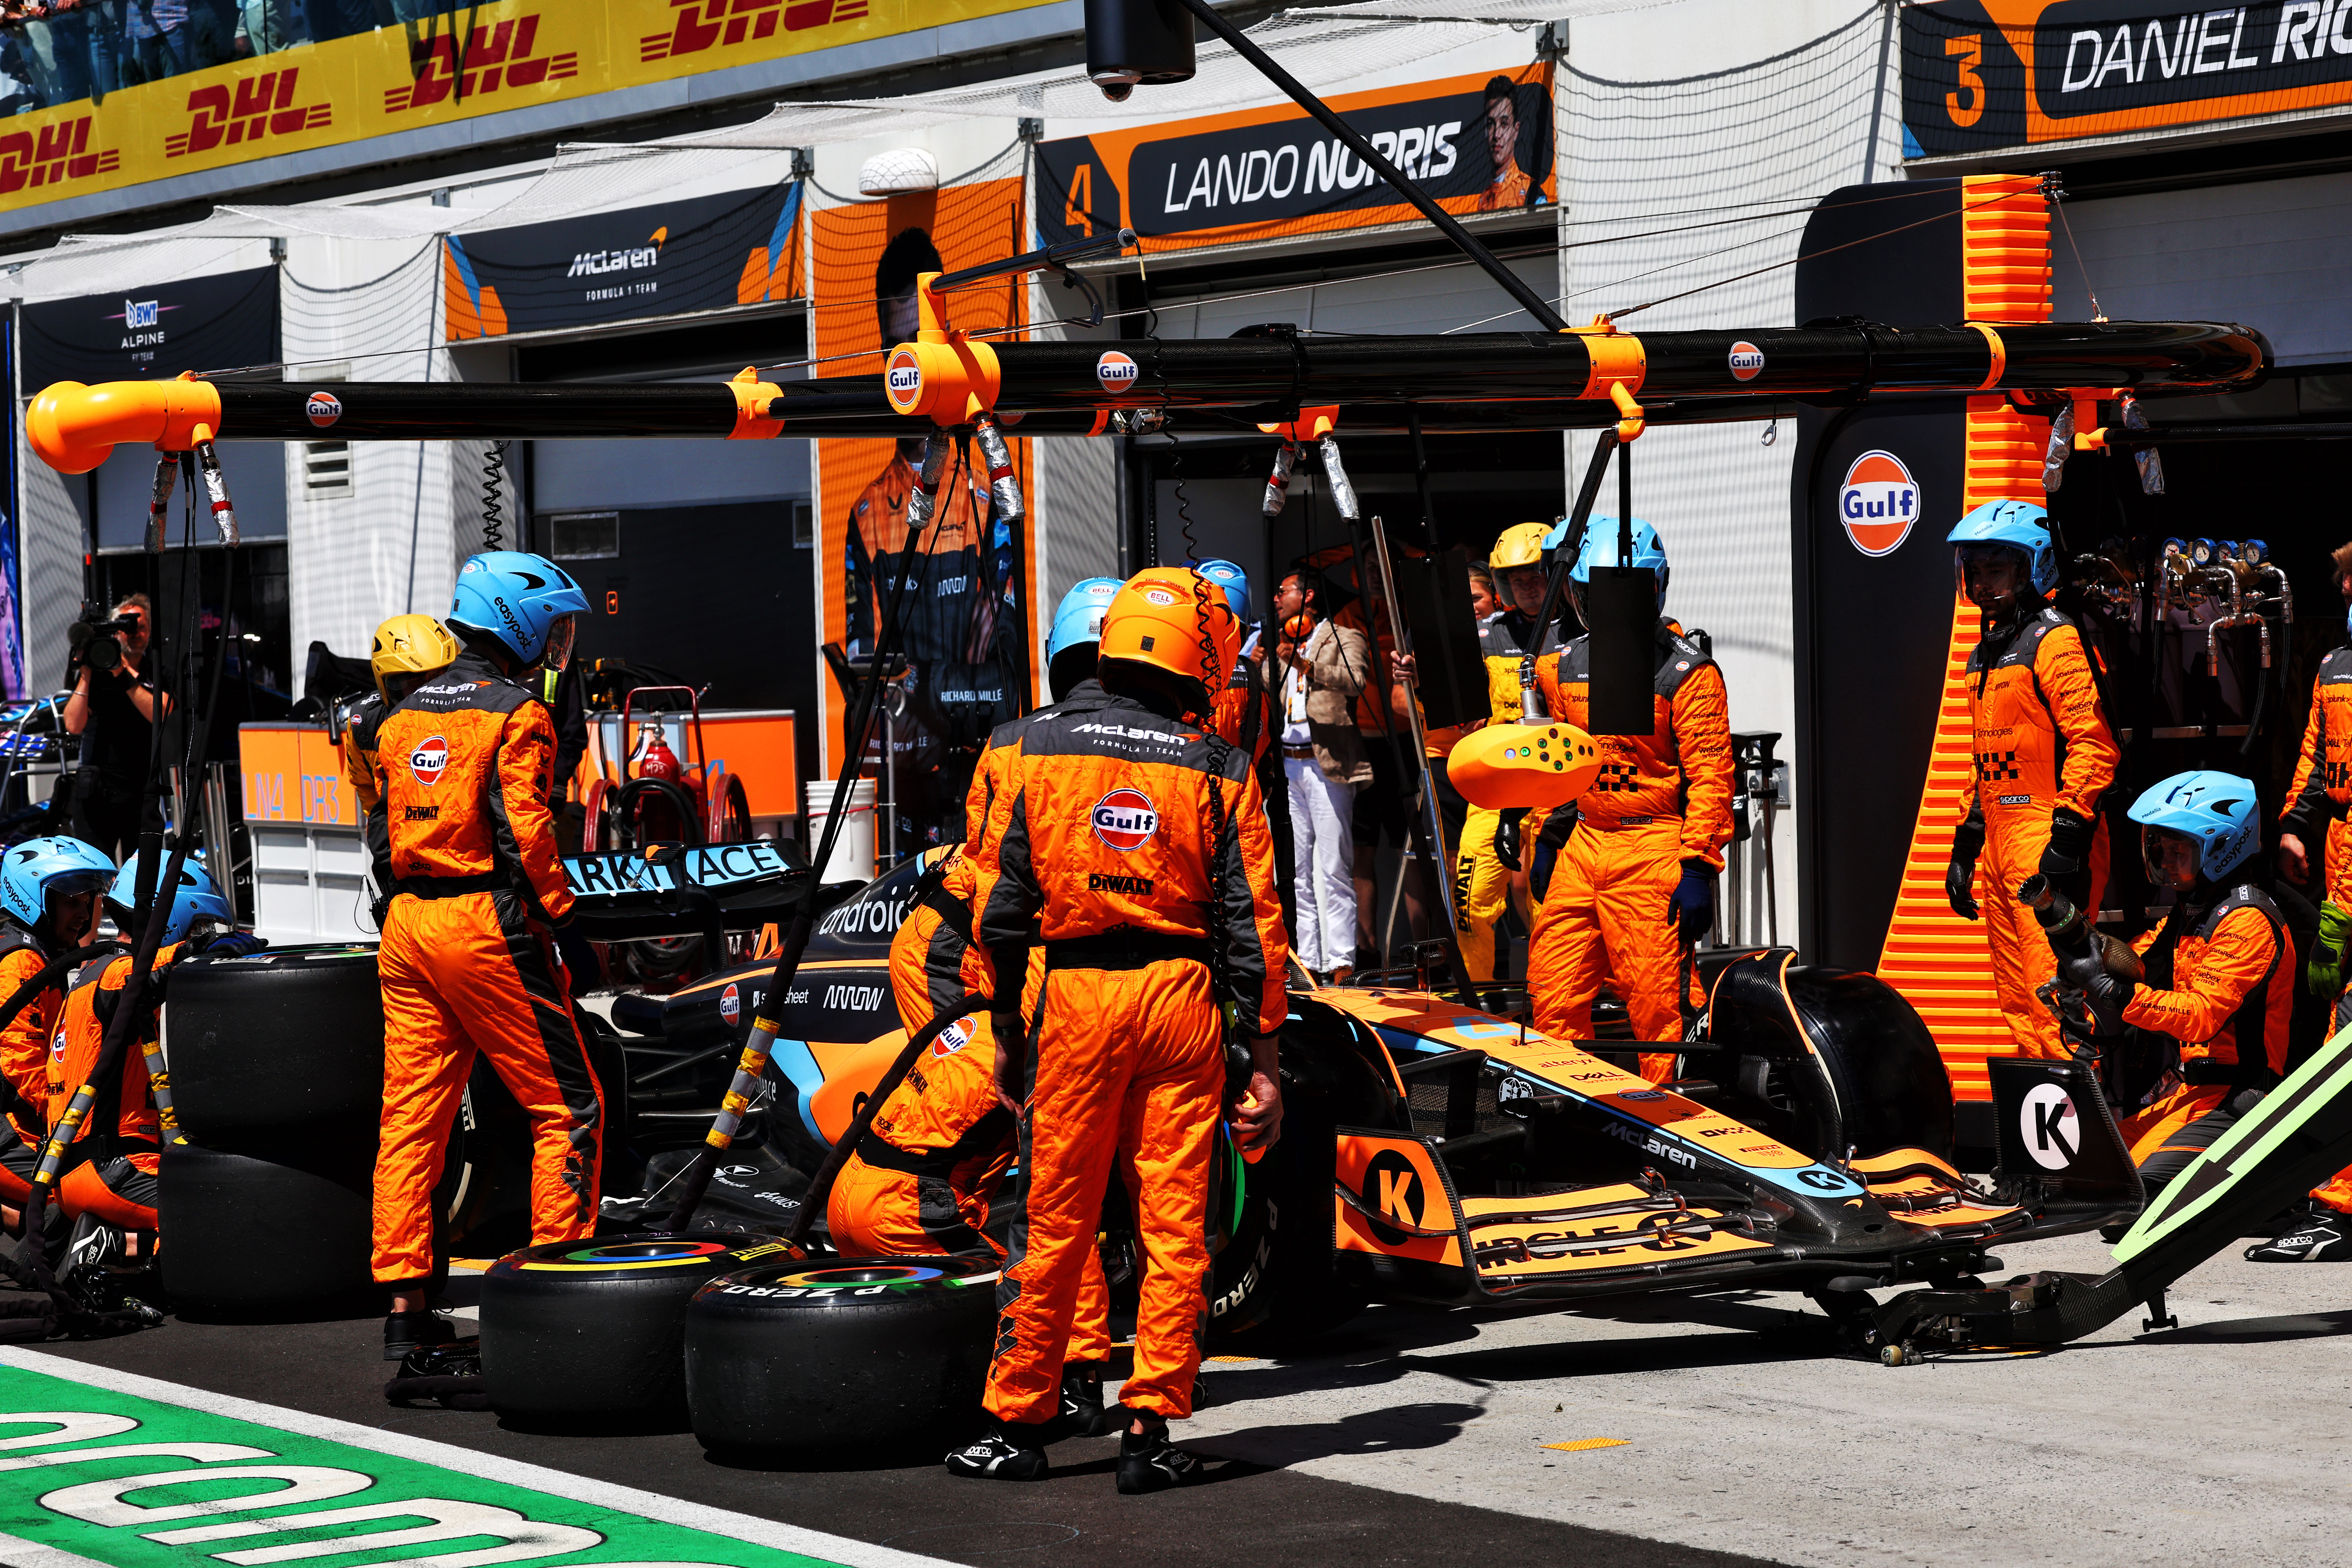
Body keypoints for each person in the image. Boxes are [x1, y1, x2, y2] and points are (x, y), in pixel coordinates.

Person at [956, 567, 1286, 1492]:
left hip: (1072, 1000)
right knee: (1175, 1226)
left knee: (1055, 1220)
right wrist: (1262, 1062)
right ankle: (1151, 1430)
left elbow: (997, 909)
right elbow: (1252, 928)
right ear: (1196, 658)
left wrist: (1007, 1033)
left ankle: (1019, 1425)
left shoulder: (1020, 747)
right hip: (1180, 1002)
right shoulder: (1220, 766)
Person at [369, 551, 603, 1365]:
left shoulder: (395, 718)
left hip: (405, 928)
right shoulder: (514, 714)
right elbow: (527, 833)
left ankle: (405, 1306)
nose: (560, 642)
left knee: (411, 1118)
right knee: (568, 1108)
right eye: (555, 624)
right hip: (484, 924)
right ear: (517, 620)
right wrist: (568, 917)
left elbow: (381, 838)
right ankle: (556, 1290)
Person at [827, 844, 1119, 1437]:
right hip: (908, 1211)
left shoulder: (965, 1020)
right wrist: (1087, 1359)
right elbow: (1054, 1203)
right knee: (1053, 1220)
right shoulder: (1040, 1025)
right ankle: (1074, 1375)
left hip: (845, 1203)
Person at [2055, 773, 2303, 1247]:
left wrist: (2115, 993)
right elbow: (2139, 965)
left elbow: (2199, 1015)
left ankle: (2272, 1195)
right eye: (2160, 849)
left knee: (2128, 1213)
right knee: (2079, 1176)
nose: (2166, 863)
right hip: (2192, 1093)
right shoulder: (2192, 912)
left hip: (2242, 1098)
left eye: (2179, 852)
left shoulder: (2248, 920)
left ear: (2223, 848)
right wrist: (2077, 959)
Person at [1527, 517, 1732, 1083]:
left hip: (1655, 846)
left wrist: (1698, 867)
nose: (1605, 606)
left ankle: (1667, 1134)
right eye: (1592, 594)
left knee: (1659, 1009)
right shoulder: (1563, 666)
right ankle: (1567, 1115)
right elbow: (1559, 763)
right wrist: (1547, 835)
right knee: (1553, 992)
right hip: (1586, 842)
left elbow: (1712, 776)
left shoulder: (1687, 673)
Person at [1943, 500, 2120, 1061]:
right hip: (2001, 840)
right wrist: (1966, 846)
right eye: (1974, 570)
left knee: (2058, 999)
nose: (1981, 583)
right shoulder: (1986, 654)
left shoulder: (2055, 639)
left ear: (2029, 570)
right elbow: (1986, 761)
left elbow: (2094, 745)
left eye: (1995, 569)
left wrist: (2066, 842)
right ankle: (2042, 1143)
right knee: (2019, 1004)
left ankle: (2086, 1140)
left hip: (2046, 838)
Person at [47, 854, 253, 1238]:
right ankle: (110, 1250)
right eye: (198, 925)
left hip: (81, 1173)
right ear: (171, 913)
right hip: (110, 1169)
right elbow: (148, 977)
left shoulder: (92, 971)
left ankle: (110, 1248)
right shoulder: (116, 972)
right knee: (226, 1215)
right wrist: (203, 949)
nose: (200, 932)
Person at [2265, 603, 2352, 1258]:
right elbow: (2318, 759)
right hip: (2340, 855)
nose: (2347, 594)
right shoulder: (2335, 667)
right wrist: (2297, 822)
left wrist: (2340, 919)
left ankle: (2341, 1210)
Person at [1456, 527, 1570, 983]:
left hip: (1558, 790)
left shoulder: (1579, 635)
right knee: (1469, 899)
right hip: (1495, 786)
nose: (1526, 586)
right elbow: (1453, 695)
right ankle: (1476, 1002)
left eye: (1535, 576)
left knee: (1551, 906)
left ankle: (1554, 1001)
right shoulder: (1485, 635)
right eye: (1514, 579)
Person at [0, 835, 112, 1220]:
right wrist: (71, 1117)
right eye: (70, 903)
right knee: (69, 1202)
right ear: (34, 899)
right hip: (10, 1128)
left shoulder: (40, 953)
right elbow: (21, 1065)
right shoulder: (22, 963)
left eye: (86, 902)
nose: (82, 914)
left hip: (22, 1121)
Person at [1267, 567, 1369, 983]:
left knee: (1333, 866)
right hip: (1289, 764)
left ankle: (1342, 961)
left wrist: (1307, 664)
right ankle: (1308, 960)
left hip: (1327, 763)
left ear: (1307, 596)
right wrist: (1263, 663)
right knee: (1296, 870)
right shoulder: (1279, 641)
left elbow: (1356, 681)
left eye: (1282, 590)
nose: (1276, 598)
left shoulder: (1345, 637)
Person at [1201, 559, 1293, 926]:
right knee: (1251, 917)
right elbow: (1269, 758)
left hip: (1194, 816)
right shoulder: (1253, 676)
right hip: (1247, 816)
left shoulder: (1188, 675)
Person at [62, 593, 170, 862]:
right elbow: (73, 725)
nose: (134, 634)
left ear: (149, 633)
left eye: (140, 627)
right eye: (127, 627)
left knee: (141, 876)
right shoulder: (94, 673)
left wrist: (123, 674)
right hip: (97, 794)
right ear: (115, 631)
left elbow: (162, 712)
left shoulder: (156, 671)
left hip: (139, 792)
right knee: (94, 875)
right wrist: (87, 673)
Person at [342, 614, 461, 821]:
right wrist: (384, 842)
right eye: (416, 683)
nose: (430, 693)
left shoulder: (477, 717)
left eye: (442, 678)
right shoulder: (365, 722)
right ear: (385, 683)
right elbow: (365, 787)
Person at [1473, 75, 1532, 212]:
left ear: (1516, 130)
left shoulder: (1530, 190)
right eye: (1491, 125)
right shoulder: (1484, 199)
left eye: (1504, 124)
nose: (1496, 135)